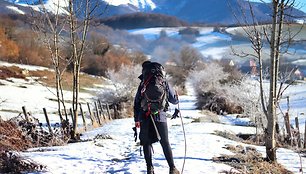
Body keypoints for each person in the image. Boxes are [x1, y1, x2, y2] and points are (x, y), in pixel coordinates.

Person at [134, 61, 180, 174]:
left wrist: (136, 120)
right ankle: (172, 168)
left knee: (146, 143)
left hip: (145, 116)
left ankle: (150, 168)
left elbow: (136, 102)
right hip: (160, 116)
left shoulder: (143, 83)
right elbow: (174, 100)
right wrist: (177, 97)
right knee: (165, 142)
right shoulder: (163, 81)